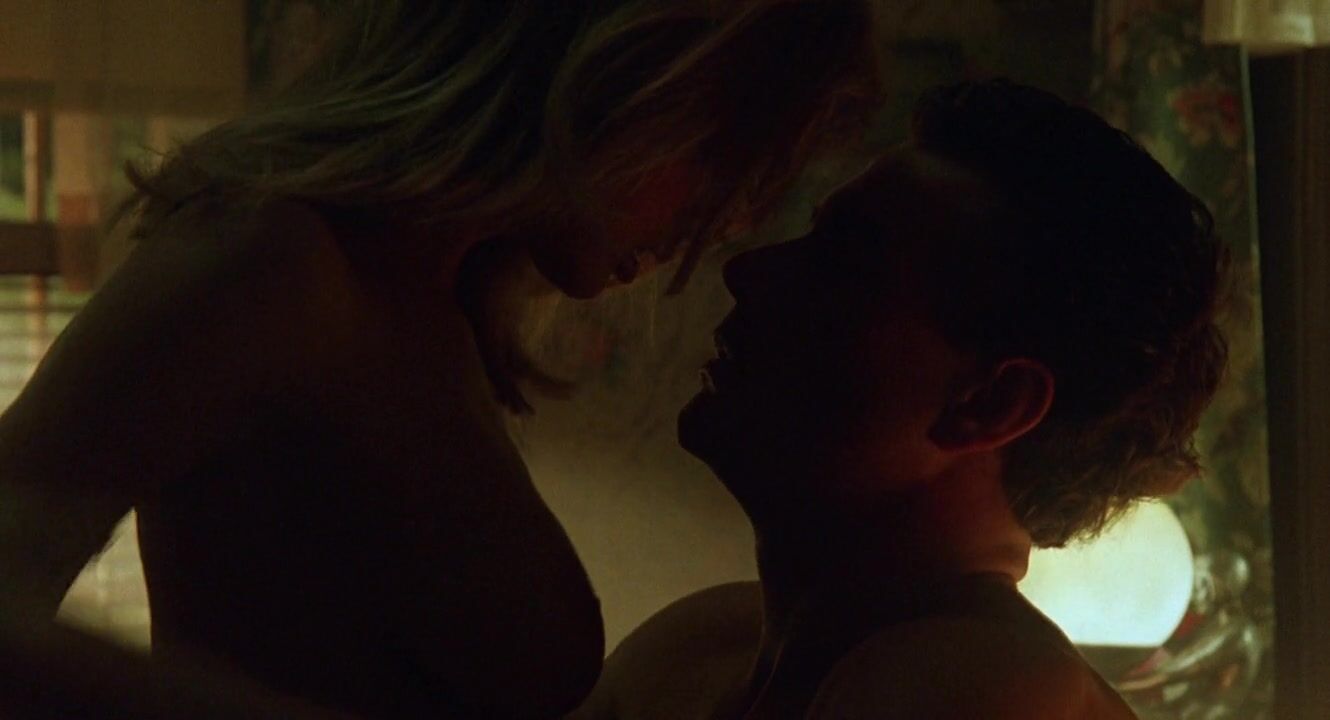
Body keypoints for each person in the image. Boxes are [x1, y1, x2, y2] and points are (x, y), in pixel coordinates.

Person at [0, 2, 879, 718]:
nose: (727, 224)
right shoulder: (273, 263)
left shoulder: (444, 303)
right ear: (624, 76)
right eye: (722, 161)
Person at [572, 79, 1228, 719]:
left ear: (991, 404)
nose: (748, 270)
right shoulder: (700, 644)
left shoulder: (988, 686)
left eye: (842, 265)